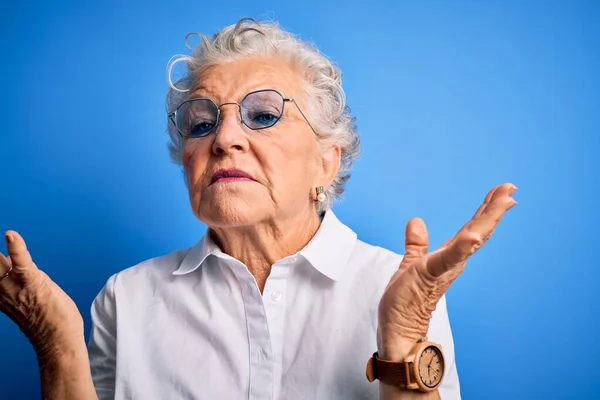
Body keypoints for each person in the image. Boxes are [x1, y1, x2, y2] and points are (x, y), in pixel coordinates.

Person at [0, 18, 516, 400]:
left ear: (325, 162)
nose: (224, 138)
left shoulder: (397, 287)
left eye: (263, 115)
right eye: (200, 123)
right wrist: (56, 343)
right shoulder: (128, 298)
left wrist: (402, 350)